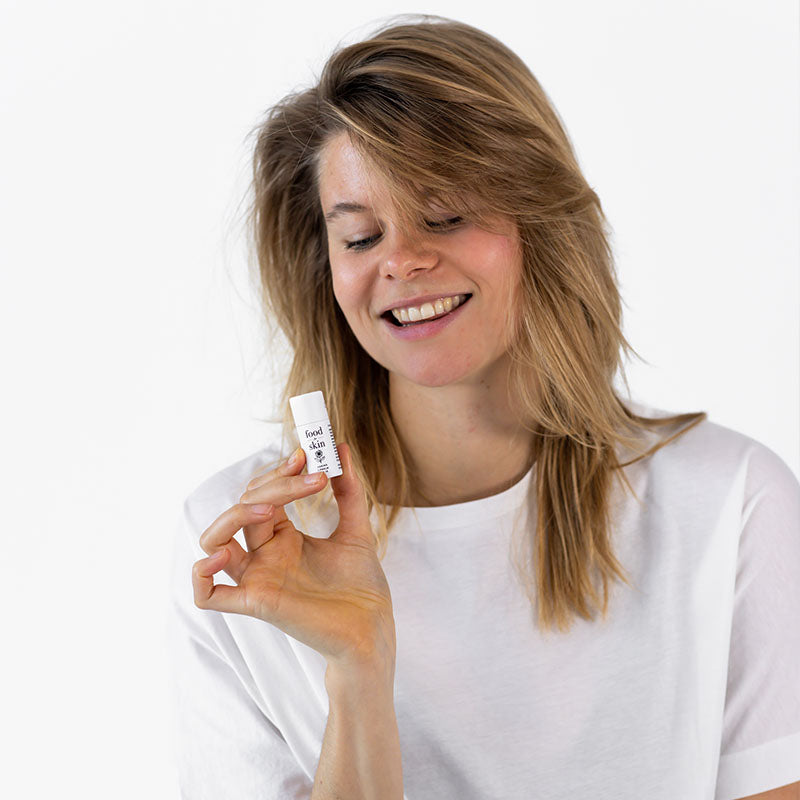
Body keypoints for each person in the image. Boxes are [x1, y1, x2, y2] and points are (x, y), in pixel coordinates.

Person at [166, 14, 800, 800]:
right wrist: (357, 672)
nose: (402, 261)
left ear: (543, 224)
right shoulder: (248, 551)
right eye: (360, 238)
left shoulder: (732, 504)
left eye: (446, 216)